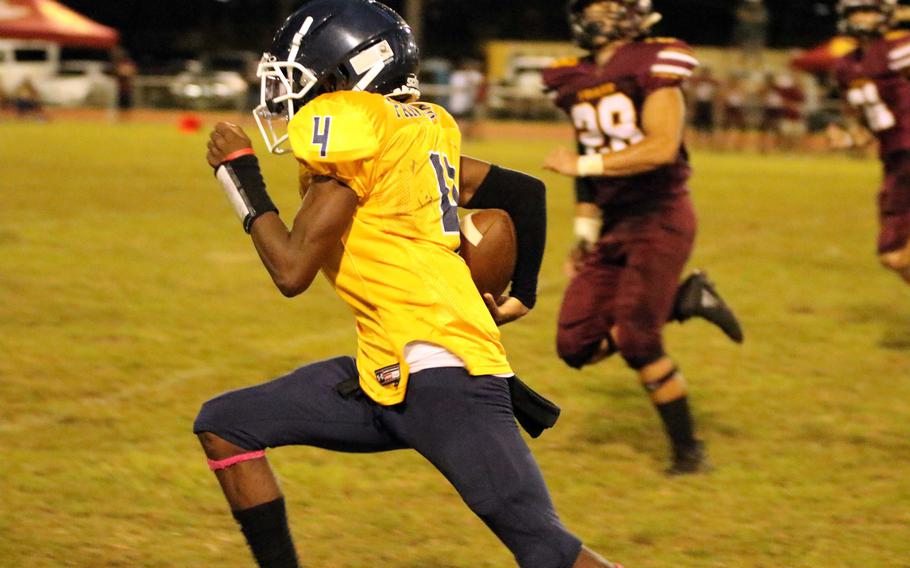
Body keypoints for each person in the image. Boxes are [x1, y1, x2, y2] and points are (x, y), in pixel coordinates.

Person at [194, 1, 624, 567]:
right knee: (226, 426)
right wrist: (521, 294)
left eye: (302, 76)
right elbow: (524, 192)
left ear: (351, 75)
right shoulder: (417, 128)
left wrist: (238, 172)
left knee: (546, 551)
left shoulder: (357, 134)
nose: (287, 93)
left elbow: (291, 270)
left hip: (446, 378)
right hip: (389, 372)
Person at [542, 0, 743, 475]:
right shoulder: (573, 77)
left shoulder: (654, 61)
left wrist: (584, 164)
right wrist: (585, 231)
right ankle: (682, 300)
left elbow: (661, 147)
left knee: (637, 339)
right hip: (612, 221)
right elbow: (586, 158)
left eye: (607, 6)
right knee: (576, 345)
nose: (596, 15)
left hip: (660, 214)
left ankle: (688, 454)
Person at [829, 0, 910, 285]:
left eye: (868, 11)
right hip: (895, 158)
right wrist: (849, 138)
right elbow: (868, 127)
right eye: (855, 12)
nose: (861, 18)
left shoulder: (901, 49)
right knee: (893, 256)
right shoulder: (845, 65)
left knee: (898, 253)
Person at [447, 58, 486, 139]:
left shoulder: (474, 75)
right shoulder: (458, 75)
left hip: (469, 102)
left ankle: (469, 135)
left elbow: (482, 83)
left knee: (469, 119)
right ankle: (456, 134)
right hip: (458, 102)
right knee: (457, 119)